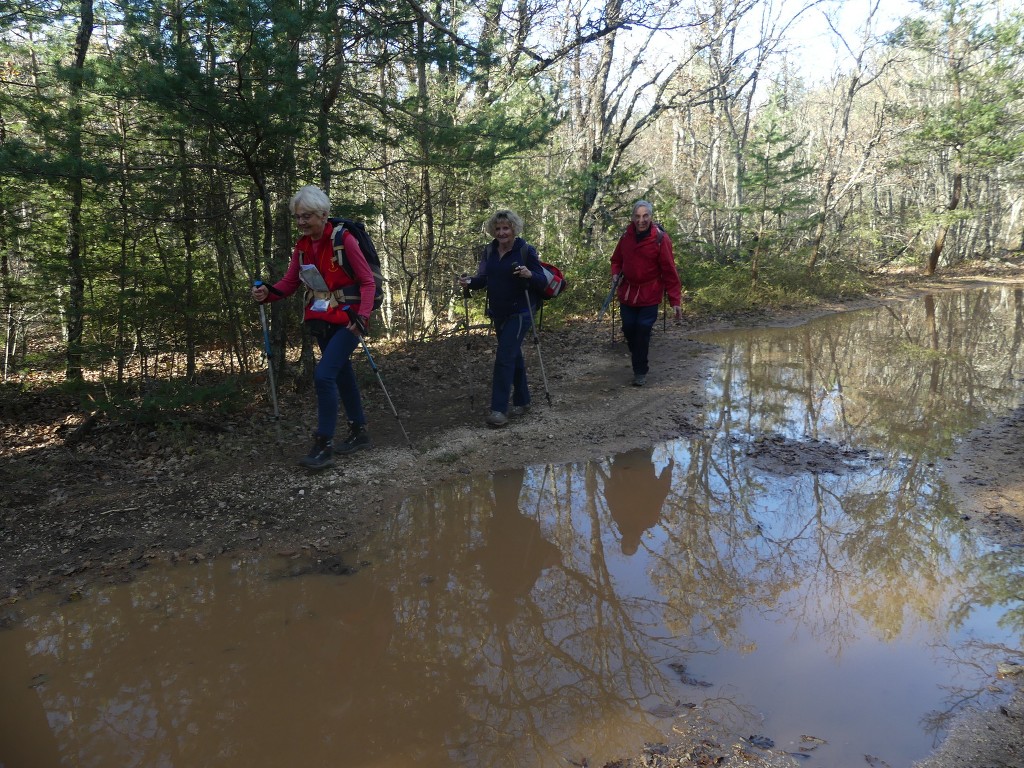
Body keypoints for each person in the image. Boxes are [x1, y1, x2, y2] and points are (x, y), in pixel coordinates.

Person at [251, 185, 377, 470]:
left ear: (323, 214)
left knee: (323, 376)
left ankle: (324, 444)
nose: (301, 222)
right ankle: (360, 432)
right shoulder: (302, 247)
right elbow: (289, 283)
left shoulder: (344, 240)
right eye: (297, 217)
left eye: (306, 216)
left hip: (349, 321)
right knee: (342, 375)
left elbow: (368, 282)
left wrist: (363, 318)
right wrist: (267, 293)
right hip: (321, 320)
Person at [458, 209, 547, 428]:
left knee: (504, 358)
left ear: (514, 229)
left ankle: (498, 410)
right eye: (497, 229)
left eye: (505, 228)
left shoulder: (525, 250)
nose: (501, 232)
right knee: (513, 356)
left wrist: (529, 274)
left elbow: (541, 281)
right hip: (499, 312)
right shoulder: (489, 251)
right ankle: (523, 400)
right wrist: (469, 282)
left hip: (521, 312)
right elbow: (483, 279)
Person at [610, 200, 683, 386]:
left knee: (642, 329)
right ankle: (639, 355)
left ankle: (640, 371)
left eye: (645, 216)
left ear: (651, 217)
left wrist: (675, 301)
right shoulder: (626, 236)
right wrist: (616, 274)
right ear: (633, 217)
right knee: (628, 328)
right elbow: (616, 260)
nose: (641, 220)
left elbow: (669, 270)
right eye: (637, 216)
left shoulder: (660, 239)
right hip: (627, 292)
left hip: (650, 293)